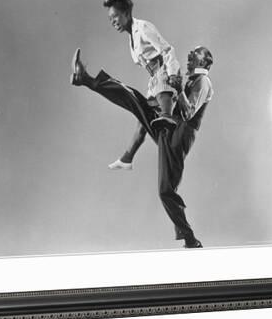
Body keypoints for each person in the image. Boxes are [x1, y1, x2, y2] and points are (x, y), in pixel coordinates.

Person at [70, 46, 214, 248]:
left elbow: (189, 113)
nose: (189, 55)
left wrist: (179, 89)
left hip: (179, 134)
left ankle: (190, 239)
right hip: (167, 126)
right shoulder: (190, 79)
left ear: (205, 62)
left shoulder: (203, 81)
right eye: (190, 52)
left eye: (195, 53)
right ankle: (87, 80)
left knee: (165, 190)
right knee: (135, 101)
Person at [102, 0, 180, 171]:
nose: (113, 22)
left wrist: (173, 73)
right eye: (110, 19)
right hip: (153, 78)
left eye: (115, 16)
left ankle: (167, 119)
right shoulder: (131, 37)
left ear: (127, 13)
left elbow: (167, 50)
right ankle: (126, 158)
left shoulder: (143, 27)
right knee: (142, 119)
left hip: (164, 71)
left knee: (162, 97)